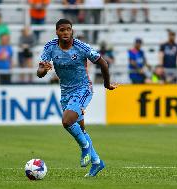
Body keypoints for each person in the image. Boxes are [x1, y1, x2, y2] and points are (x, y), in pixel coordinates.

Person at [37, 19, 117, 177]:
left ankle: (85, 147)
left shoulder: (81, 47)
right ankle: (97, 162)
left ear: (72, 31)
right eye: (62, 30)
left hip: (83, 89)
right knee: (79, 128)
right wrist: (44, 70)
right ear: (57, 32)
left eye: (68, 29)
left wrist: (107, 84)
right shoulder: (50, 47)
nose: (65, 32)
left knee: (66, 121)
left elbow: (103, 63)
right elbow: (39, 72)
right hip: (65, 92)